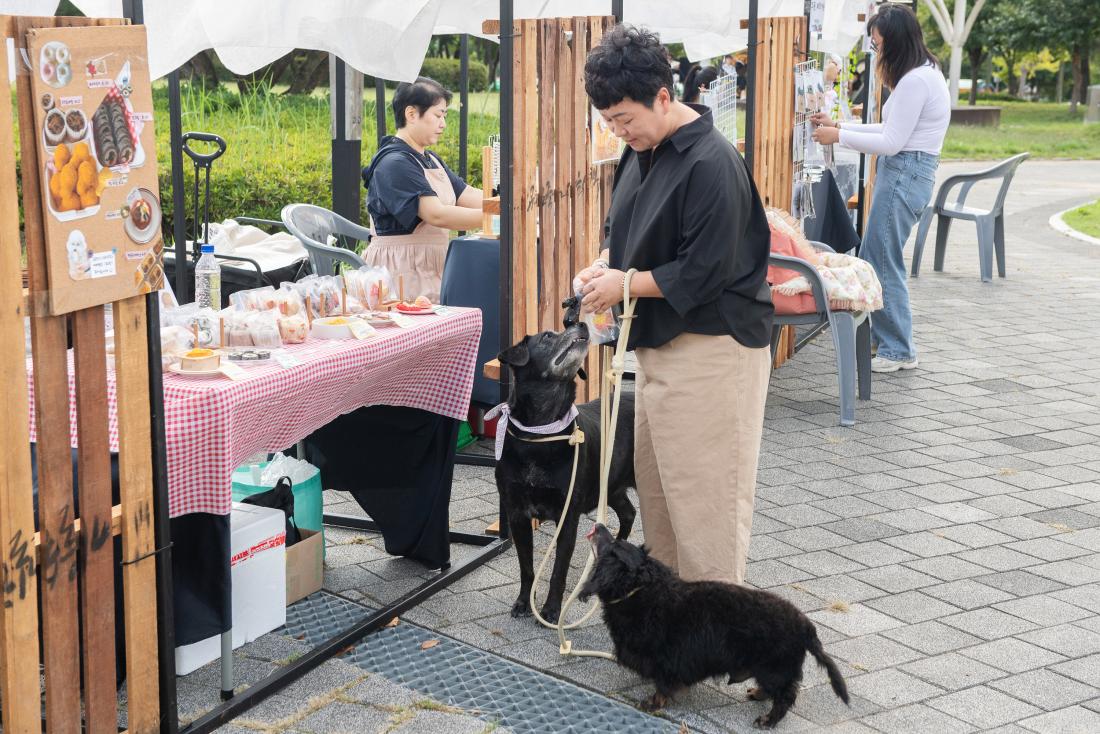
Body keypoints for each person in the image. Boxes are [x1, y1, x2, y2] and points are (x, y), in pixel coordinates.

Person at [575, 25, 773, 586]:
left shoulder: (712, 163)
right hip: (662, 350)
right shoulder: (641, 151)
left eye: (625, 119)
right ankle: (673, 634)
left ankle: (718, 639)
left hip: (714, 348)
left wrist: (624, 285)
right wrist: (604, 264)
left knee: (706, 505)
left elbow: (704, 272)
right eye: (609, 122)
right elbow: (624, 233)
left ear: (665, 97)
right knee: (661, 499)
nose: (619, 132)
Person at [812, 4, 949, 373]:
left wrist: (838, 135)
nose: (876, 50)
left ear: (896, 42)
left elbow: (891, 142)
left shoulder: (915, 81)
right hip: (909, 172)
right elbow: (890, 132)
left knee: (882, 259)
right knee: (879, 254)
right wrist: (840, 125)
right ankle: (888, 342)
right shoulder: (924, 73)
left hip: (905, 173)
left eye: (877, 43)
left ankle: (897, 349)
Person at [361, 76, 483, 302]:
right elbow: (436, 214)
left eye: (444, 116)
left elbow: (467, 195)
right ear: (411, 114)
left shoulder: (429, 159)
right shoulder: (394, 163)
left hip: (429, 267)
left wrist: (511, 203)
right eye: (438, 115)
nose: (443, 124)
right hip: (402, 273)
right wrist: (497, 218)